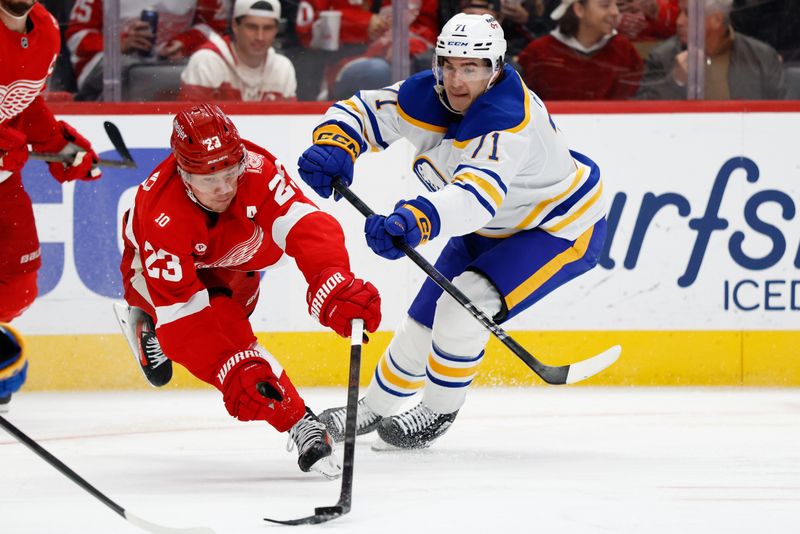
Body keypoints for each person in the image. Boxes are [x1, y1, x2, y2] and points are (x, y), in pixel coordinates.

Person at [297, 13, 608, 449]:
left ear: (495, 69)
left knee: (462, 309)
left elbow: (474, 200)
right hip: (491, 224)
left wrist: (416, 219)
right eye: (449, 65)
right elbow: (362, 111)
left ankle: (438, 410)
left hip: (556, 227)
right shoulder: (426, 93)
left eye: (472, 67)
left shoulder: (507, 118)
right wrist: (336, 142)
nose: (457, 80)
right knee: (420, 322)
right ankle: (376, 405)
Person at [117, 103, 381, 476]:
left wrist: (332, 278)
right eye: (209, 180)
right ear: (184, 175)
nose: (225, 188)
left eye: (231, 173)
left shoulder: (257, 169)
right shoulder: (161, 215)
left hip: (231, 259)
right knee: (230, 338)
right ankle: (298, 421)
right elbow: (184, 317)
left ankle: (163, 330)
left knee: (236, 317)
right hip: (156, 270)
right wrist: (230, 370)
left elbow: (306, 224)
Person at [0, 0, 101, 411]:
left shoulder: (45, 30)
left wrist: (59, 145)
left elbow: (22, 104)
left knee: (18, 285)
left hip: (3, 179)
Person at [65, 0, 228, 100]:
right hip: (110, 68)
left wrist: (184, 42)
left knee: (199, 68)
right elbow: (76, 35)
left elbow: (215, 26)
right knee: (129, 73)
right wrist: (118, 44)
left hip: (170, 63)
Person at [636, 0, 786, 99]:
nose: (678, 21)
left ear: (717, 20)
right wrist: (675, 81)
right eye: (679, 12)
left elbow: (783, 116)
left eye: (688, 14)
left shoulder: (761, 58)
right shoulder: (662, 57)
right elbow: (639, 115)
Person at [517, 0, 644, 100]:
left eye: (616, 5)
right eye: (605, 5)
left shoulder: (624, 49)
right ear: (579, 9)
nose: (615, 12)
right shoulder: (538, 52)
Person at [179, 0, 297, 101]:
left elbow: (290, 120)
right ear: (235, 26)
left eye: (268, 28)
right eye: (252, 27)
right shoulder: (207, 61)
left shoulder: (282, 68)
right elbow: (191, 118)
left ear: (277, 29)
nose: (260, 37)